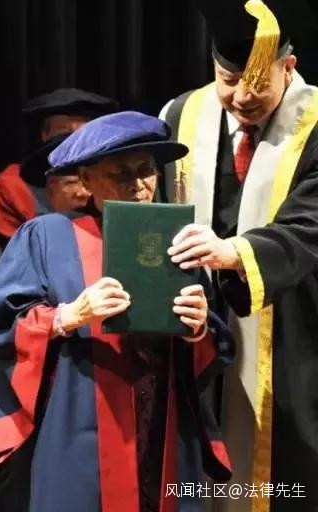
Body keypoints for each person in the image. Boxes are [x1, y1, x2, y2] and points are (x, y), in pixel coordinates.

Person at [0, 112, 233, 512]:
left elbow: (210, 350)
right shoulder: (47, 236)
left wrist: (198, 328)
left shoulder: (177, 239)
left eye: (146, 170)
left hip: (163, 419)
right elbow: (4, 328)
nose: (138, 184)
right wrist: (68, 316)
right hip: (82, 419)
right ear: (85, 180)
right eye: (121, 173)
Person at [162, 1, 318, 509]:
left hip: (295, 323)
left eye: (257, 83)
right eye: (229, 80)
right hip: (201, 329)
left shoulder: (315, 125)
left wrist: (235, 252)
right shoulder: (181, 116)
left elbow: (310, 226)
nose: (242, 97)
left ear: (288, 67)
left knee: (287, 481)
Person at [0, 88, 118, 247]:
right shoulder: (10, 188)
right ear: (45, 135)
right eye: (65, 133)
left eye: (83, 133)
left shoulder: (112, 177)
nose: (75, 141)